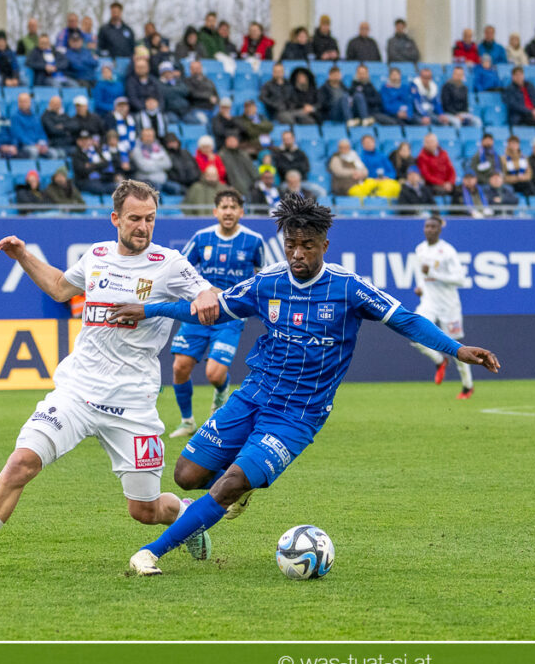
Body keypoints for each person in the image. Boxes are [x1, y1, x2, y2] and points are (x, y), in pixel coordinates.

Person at [108, 193, 500, 576]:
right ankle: (218, 500)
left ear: (324, 246)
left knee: (230, 483)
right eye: (291, 245)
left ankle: (150, 553)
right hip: (253, 395)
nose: (297, 254)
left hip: (299, 413)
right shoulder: (268, 282)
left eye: (307, 246)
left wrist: (457, 349)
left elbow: (406, 320)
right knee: (186, 475)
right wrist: (149, 308)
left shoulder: (348, 288)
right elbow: (208, 309)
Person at [0, 180, 221, 573]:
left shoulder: (169, 263)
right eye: (135, 218)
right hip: (77, 392)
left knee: (144, 511)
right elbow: (58, 288)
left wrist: (203, 295)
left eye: (150, 219)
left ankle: (183, 515)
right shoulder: (97, 255)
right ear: (115, 218)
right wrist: (23, 256)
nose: (143, 227)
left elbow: (208, 293)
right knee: (22, 461)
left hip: (132, 403)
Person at [167, 188, 266, 438]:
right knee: (180, 367)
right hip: (199, 311)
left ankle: (221, 391)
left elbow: (261, 276)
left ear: (241, 212)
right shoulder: (201, 238)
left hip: (230, 316)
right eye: (224, 207)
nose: (228, 212)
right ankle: (187, 421)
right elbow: (181, 267)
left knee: (214, 373)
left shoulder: (254, 241)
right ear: (215, 211)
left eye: (233, 207)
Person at [409, 215, 476, 398]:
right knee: (413, 332)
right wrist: (421, 287)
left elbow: (461, 280)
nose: (429, 229)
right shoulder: (420, 249)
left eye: (433, 227)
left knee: (456, 348)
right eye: (427, 226)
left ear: (440, 229)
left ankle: (467, 386)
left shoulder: (448, 251)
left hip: (449, 305)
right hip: (429, 302)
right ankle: (439, 360)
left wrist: (433, 273)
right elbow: (421, 274)